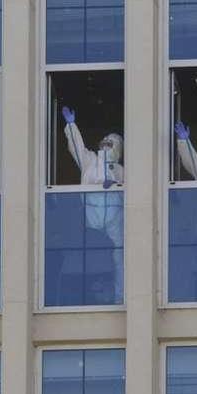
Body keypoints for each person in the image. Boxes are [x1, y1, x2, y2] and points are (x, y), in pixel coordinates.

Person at [62, 106, 124, 302]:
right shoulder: (90, 161)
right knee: (92, 255)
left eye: (111, 144)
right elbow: (76, 148)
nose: (106, 147)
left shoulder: (120, 169)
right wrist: (71, 125)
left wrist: (113, 183)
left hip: (114, 217)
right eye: (105, 143)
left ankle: (118, 296)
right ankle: (90, 296)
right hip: (92, 215)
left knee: (118, 259)